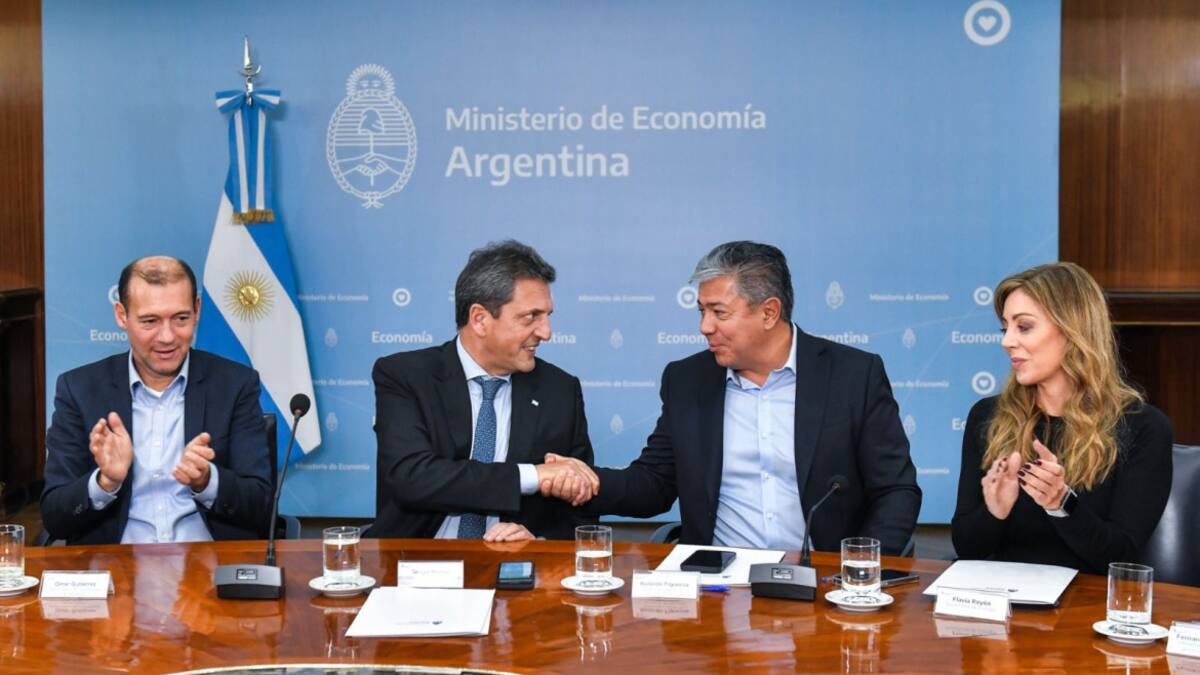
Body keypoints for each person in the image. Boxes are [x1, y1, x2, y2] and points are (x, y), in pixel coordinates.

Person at [546, 241, 921, 554]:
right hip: (718, 586)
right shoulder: (688, 380)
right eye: (702, 311)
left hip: (822, 581)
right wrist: (585, 481)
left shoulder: (853, 376)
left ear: (769, 312)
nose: (704, 326)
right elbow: (654, 484)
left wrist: (859, 568)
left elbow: (895, 490)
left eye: (718, 312)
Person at [367, 240, 599, 542]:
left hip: (515, 574)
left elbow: (581, 512)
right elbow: (413, 477)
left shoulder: (560, 390)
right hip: (415, 564)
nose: (546, 332)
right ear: (479, 319)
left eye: (547, 316)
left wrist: (539, 541)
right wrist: (533, 475)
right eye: (531, 317)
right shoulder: (406, 376)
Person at [951, 262, 1173, 574]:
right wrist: (993, 512)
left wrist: (1061, 503)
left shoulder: (1142, 427)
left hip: (1088, 610)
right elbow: (967, 548)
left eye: (1023, 327)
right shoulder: (988, 417)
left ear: (1073, 331)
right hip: (1003, 608)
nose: (1006, 341)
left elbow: (1121, 556)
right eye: (1005, 328)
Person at [41, 256, 273, 544]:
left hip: (208, 569)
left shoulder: (235, 385)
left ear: (197, 310)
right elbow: (54, 516)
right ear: (121, 315)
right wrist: (106, 482)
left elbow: (263, 509)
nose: (167, 337)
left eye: (181, 319)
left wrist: (207, 480)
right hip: (117, 571)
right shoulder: (80, 389)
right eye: (150, 321)